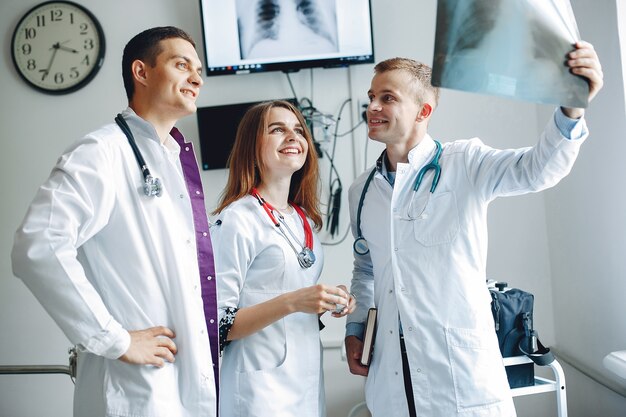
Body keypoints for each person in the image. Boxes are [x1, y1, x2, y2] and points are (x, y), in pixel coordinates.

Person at [344, 41, 603, 417]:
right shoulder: (361, 191)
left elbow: (537, 168)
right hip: (392, 375)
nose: (372, 107)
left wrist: (572, 105)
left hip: (459, 375)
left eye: (387, 98)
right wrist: (355, 329)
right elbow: (366, 268)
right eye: (371, 97)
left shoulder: (465, 163)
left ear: (423, 111)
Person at [11, 26, 219, 417]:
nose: (196, 78)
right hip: (135, 393)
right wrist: (114, 340)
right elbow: (37, 245)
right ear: (141, 72)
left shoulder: (171, 159)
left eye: (199, 69)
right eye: (181, 64)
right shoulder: (101, 152)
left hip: (177, 384)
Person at [211, 100, 355, 417]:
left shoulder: (301, 218)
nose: (292, 137)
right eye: (277, 129)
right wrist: (294, 301)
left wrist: (328, 300)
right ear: (252, 145)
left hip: (305, 381)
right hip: (258, 390)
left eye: (298, 130)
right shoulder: (236, 219)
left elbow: (294, 296)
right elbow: (218, 326)